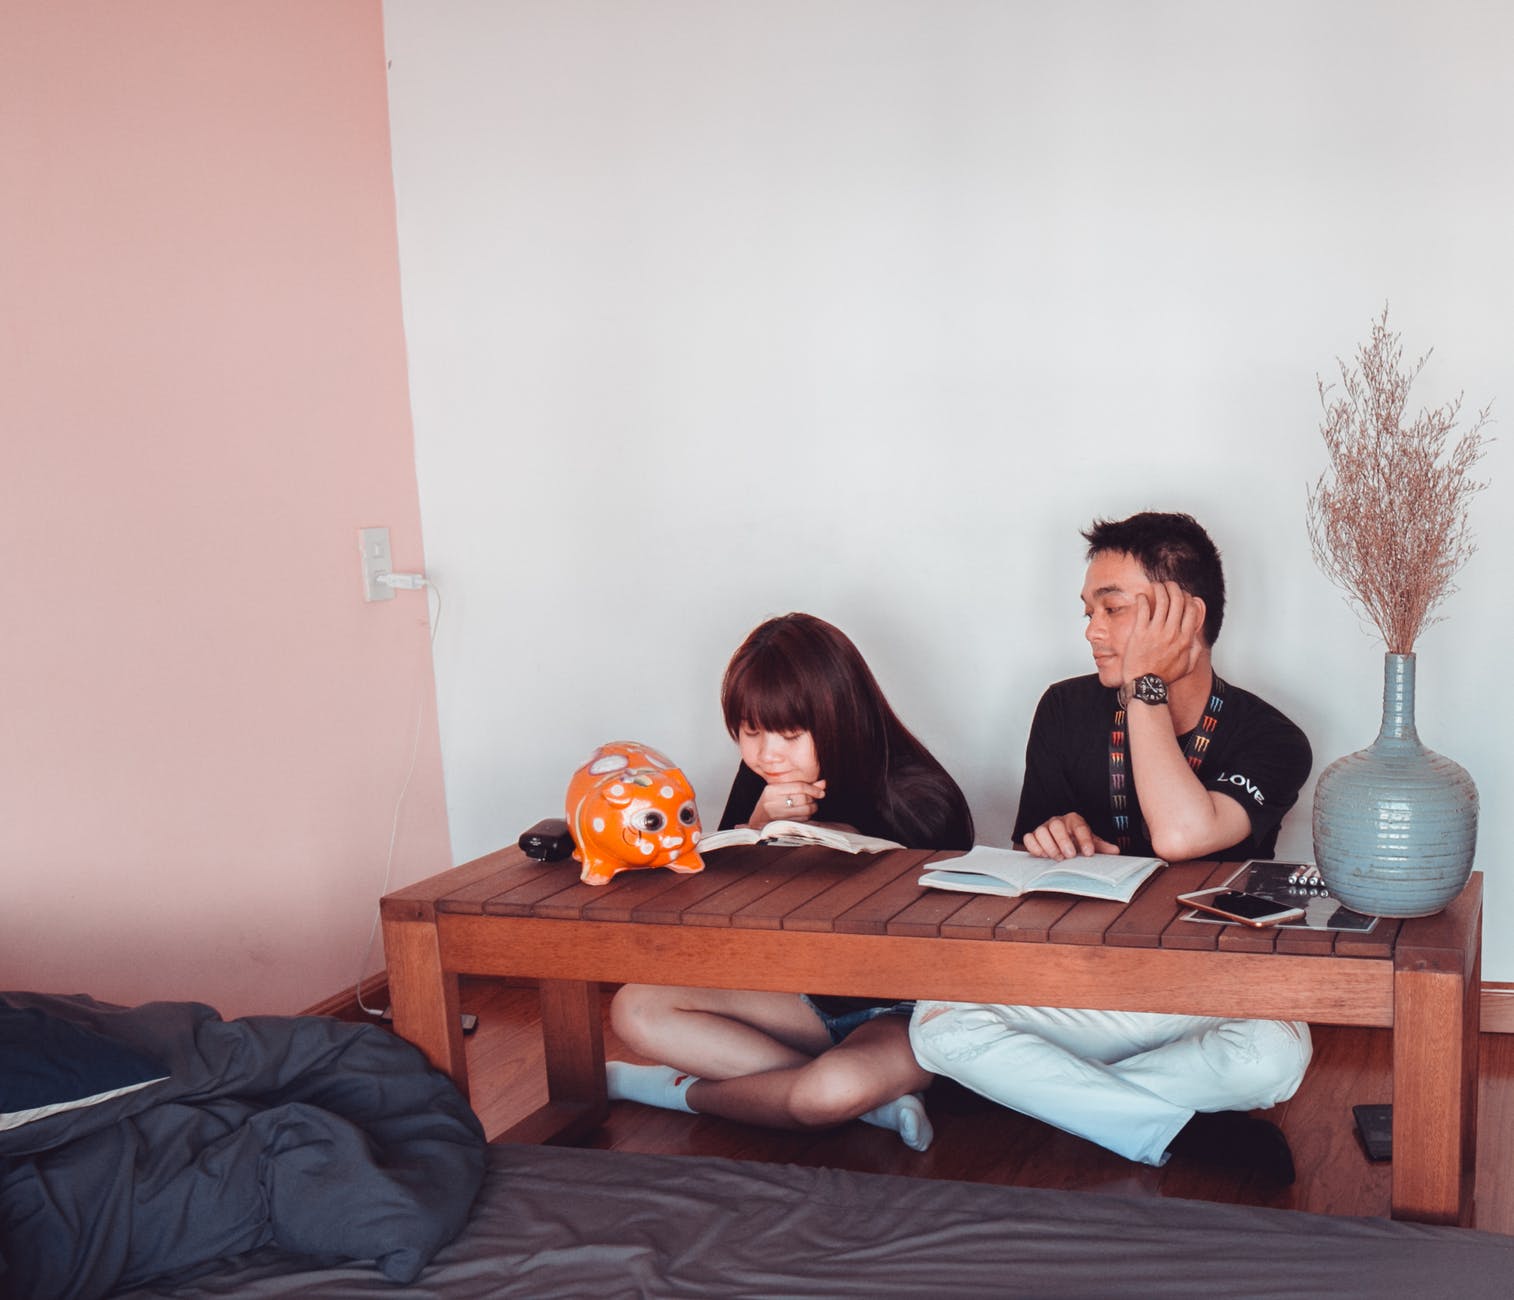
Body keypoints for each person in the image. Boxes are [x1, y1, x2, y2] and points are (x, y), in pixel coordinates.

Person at [908, 512, 1313, 1183]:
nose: (1091, 631)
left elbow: (1183, 834)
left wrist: (1143, 686)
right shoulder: (1064, 710)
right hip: (1086, 986)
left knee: (1274, 1058)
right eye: (1088, 610)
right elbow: (1025, 878)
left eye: (1113, 608)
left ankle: (1037, 1095)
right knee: (935, 1028)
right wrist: (1047, 843)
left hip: (1210, 992)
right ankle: (1169, 1128)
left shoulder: (1273, 738)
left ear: (1186, 615)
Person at [607, 612, 974, 1150]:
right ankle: (873, 1102)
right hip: (801, 997)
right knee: (633, 1007)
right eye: (751, 733)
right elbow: (717, 914)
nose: (767, 754)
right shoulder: (762, 784)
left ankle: (672, 1089)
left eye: (789, 733)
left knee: (823, 1094)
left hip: (901, 1011)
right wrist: (757, 829)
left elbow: (940, 938)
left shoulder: (919, 794)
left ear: (840, 716)